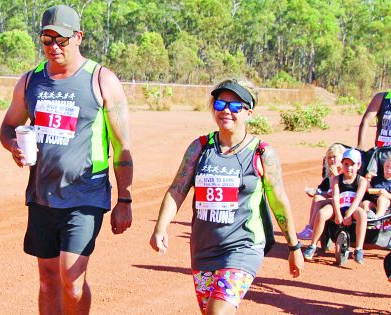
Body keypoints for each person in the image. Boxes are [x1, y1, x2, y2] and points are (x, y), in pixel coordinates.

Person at [0, 5, 133, 314]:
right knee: (47, 280)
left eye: (62, 40)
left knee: (71, 281)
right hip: (42, 195)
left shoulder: (102, 80)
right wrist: (13, 146)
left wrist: (124, 200)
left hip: (85, 195)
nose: (54, 47)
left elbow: (122, 146)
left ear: (78, 38)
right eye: (47, 40)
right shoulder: (31, 81)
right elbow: (8, 127)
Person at [149, 78, 304, 314]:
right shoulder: (200, 147)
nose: (226, 112)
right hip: (204, 250)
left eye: (235, 106)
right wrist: (160, 227)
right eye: (220, 105)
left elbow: (279, 201)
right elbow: (177, 189)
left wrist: (294, 247)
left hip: (243, 247)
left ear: (249, 113)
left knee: (217, 312)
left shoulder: (262, 153)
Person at [301, 149, 368, 263]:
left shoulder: (361, 181)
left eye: (352, 164)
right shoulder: (336, 179)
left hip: (352, 208)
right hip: (337, 207)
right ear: (342, 164)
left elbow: (358, 199)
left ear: (359, 165)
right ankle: (312, 246)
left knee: (362, 214)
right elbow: (336, 197)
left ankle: (358, 249)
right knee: (322, 213)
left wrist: (348, 214)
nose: (349, 167)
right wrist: (337, 214)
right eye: (346, 164)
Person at [297, 143, 346, 240]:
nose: (332, 160)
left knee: (318, 199)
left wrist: (335, 175)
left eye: (334, 157)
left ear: (342, 156)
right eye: (329, 157)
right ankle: (310, 228)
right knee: (317, 197)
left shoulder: (346, 170)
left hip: (343, 201)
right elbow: (328, 190)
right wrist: (317, 192)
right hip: (333, 199)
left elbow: (341, 190)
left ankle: (311, 230)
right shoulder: (331, 171)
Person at [361, 151, 391, 218]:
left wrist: (387, 195)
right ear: (383, 165)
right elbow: (369, 190)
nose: (388, 170)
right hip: (374, 202)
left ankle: (378, 218)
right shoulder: (377, 178)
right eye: (387, 166)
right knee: (365, 203)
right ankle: (368, 218)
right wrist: (368, 181)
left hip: (387, 203)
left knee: (381, 199)